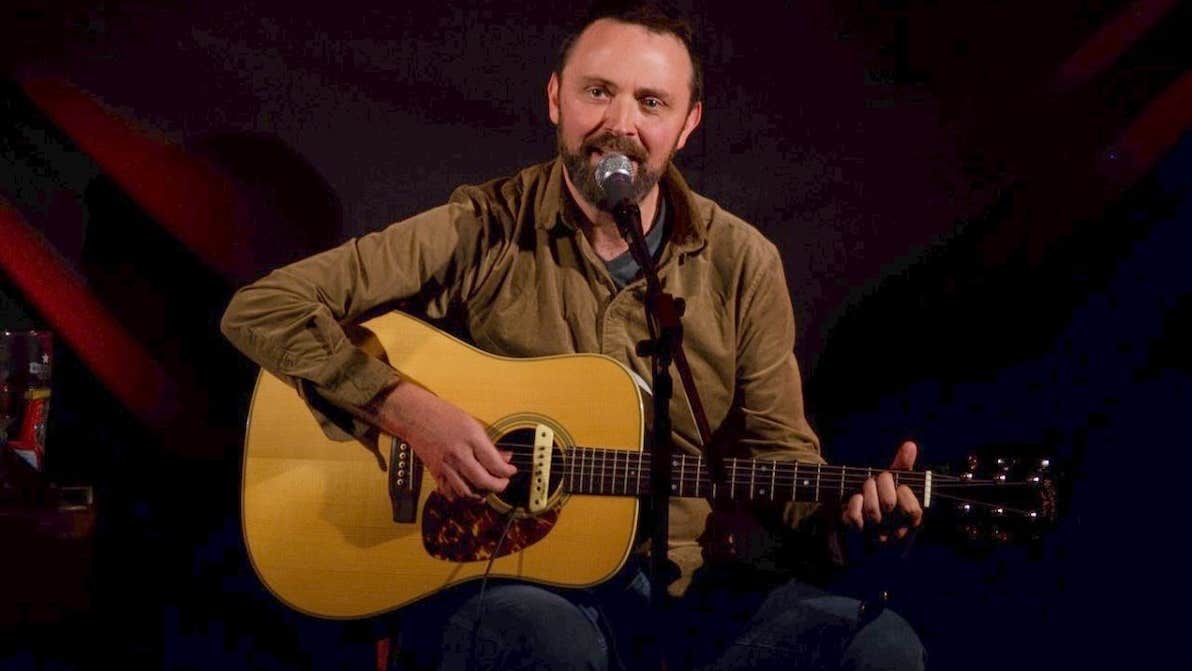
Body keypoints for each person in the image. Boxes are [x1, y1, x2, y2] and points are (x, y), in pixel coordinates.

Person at [221, 2, 926, 669]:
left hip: (699, 592)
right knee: (544, 640)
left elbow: (781, 460)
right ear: (555, 99)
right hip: (519, 583)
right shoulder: (485, 227)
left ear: (687, 126)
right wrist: (407, 411)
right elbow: (264, 308)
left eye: (651, 103)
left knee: (877, 644)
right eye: (598, 92)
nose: (619, 124)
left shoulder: (742, 260)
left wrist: (849, 506)